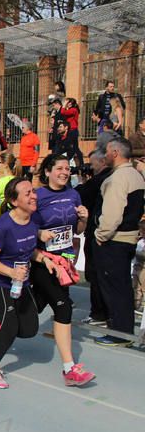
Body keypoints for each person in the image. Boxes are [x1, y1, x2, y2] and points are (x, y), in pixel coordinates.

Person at [0, 177, 57, 389]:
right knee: (10, 327)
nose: (33, 196)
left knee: (29, 329)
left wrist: (45, 259)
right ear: (14, 201)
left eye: (33, 191)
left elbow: (28, 250)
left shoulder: (32, 221)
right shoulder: (3, 226)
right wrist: (11, 272)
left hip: (20, 284)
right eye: (27, 193)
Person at [29, 154, 96, 383]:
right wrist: (39, 233)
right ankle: (70, 369)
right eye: (59, 168)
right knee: (63, 307)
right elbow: (25, 227)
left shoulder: (73, 194)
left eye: (68, 169)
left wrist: (85, 220)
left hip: (65, 257)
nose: (65, 172)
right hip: (43, 260)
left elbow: (76, 230)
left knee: (34, 307)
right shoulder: (38, 196)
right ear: (47, 172)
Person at [93, 138, 145, 346]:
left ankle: (118, 332)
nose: (104, 156)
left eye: (106, 152)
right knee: (123, 285)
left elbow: (112, 213)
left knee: (114, 287)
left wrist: (101, 235)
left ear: (114, 153)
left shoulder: (118, 178)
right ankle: (122, 329)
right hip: (128, 238)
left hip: (115, 239)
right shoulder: (135, 175)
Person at [76, 150, 112, 326]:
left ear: (102, 162)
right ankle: (104, 312)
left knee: (94, 273)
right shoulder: (106, 178)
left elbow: (81, 194)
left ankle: (99, 314)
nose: (90, 166)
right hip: (100, 232)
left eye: (92, 163)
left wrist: (84, 182)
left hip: (96, 233)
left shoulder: (101, 179)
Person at [132, 220, 145, 313]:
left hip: (143, 268)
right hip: (137, 266)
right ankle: (136, 303)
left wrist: (134, 252)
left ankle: (143, 305)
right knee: (135, 286)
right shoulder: (140, 241)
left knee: (143, 287)